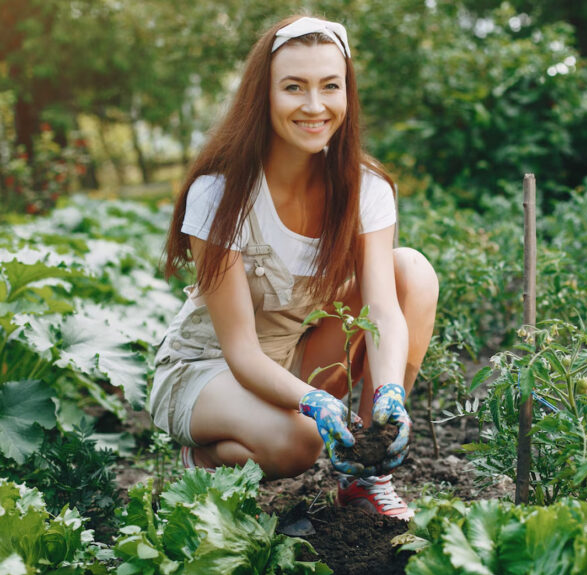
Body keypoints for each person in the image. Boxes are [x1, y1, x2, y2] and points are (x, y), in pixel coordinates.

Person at [149, 15, 438, 521]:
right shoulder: (219, 193)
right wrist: (315, 402)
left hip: (292, 357)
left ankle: (367, 477)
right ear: (264, 95)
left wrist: (389, 392)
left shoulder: (366, 188)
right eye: (293, 87)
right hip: (207, 369)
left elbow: (383, 311)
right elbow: (240, 352)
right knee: (300, 444)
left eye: (330, 86)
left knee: (410, 271)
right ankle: (201, 459)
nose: (314, 106)